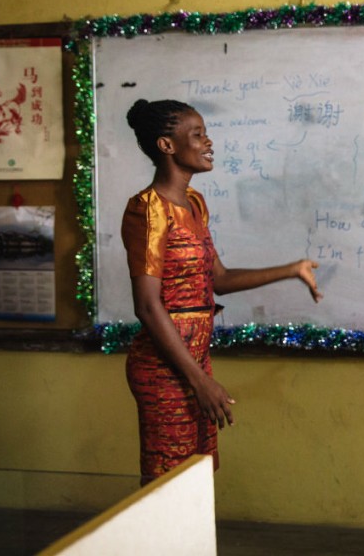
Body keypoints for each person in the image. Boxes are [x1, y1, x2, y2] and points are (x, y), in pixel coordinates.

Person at [122, 98, 323, 482]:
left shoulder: (195, 203)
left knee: (195, 477)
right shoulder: (147, 210)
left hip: (196, 365)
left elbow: (218, 280)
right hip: (166, 369)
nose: (208, 142)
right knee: (169, 483)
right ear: (167, 146)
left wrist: (291, 269)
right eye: (197, 135)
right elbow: (147, 308)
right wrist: (200, 382)